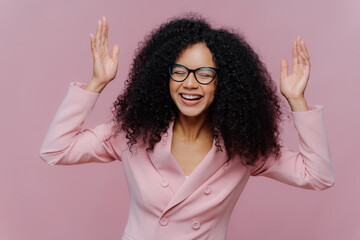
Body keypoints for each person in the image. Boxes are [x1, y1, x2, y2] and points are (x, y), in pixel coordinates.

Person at [39, 13, 335, 240]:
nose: (189, 83)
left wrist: (296, 100)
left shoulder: (243, 148)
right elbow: (55, 150)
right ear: (164, 77)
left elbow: (318, 176)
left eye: (204, 73)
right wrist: (97, 83)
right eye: (179, 71)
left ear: (223, 83)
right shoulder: (131, 134)